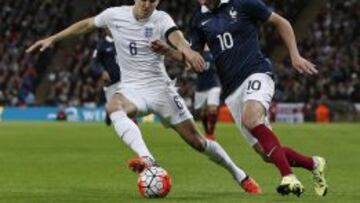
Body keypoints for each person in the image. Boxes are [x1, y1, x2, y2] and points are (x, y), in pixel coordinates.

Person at [26, 0, 261, 194]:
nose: (148, 4)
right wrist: (52, 38)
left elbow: (176, 37)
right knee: (113, 106)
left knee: (198, 142)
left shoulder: (161, 18)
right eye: (144, 0)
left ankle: (240, 175)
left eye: (154, 1)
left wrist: (188, 50)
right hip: (132, 89)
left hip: (161, 91)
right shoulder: (115, 15)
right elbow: (87, 24)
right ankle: (147, 159)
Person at [151, 0, 328, 197]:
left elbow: (282, 22)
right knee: (265, 153)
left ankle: (288, 177)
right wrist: (168, 51)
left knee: (251, 118)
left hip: (257, 72)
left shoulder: (243, 3)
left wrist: (294, 56)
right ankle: (314, 163)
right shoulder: (199, 19)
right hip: (232, 91)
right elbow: (194, 60)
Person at [91, 31, 121, 126]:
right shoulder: (101, 45)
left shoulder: (122, 41)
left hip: (125, 79)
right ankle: (109, 114)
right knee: (113, 107)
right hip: (111, 82)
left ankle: (130, 124)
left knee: (126, 103)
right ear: (105, 30)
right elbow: (94, 63)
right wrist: (101, 71)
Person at [193, 45, 221, 140]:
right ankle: (207, 132)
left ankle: (211, 133)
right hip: (201, 86)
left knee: (212, 109)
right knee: (203, 112)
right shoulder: (196, 53)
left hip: (213, 84)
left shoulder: (216, 51)